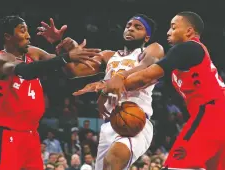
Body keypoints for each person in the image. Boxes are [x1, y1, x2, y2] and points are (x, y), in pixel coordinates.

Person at [91, 11, 225, 170]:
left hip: (210, 115)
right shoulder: (189, 55)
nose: (168, 32)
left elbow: (144, 76)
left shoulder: (187, 47)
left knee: (174, 166)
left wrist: (108, 86)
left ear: (189, 31)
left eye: (173, 27)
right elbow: (144, 79)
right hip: (224, 119)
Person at [40, 14, 164, 170]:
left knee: (114, 159)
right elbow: (73, 71)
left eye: (137, 27)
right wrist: (61, 45)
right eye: (128, 25)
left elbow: (147, 68)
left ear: (147, 37)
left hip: (136, 121)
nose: (131, 28)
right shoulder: (108, 56)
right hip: (110, 125)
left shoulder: (153, 49)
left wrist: (118, 77)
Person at [0, 15, 101, 170]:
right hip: (8, 134)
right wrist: (66, 57)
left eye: (28, 31)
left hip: (32, 135)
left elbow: (69, 71)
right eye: (23, 31)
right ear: (8, 36)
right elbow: (26, 71)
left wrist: (61, 44)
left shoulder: (33, 53)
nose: (28, 36)